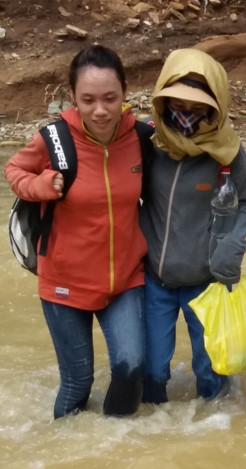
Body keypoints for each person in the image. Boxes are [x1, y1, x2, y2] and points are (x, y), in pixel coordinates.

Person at [4, 45, 148, 419]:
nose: (100, 110)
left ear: (125, 93)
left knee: (131, 369)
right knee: (77, 383)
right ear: (72, 96)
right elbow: (15, 171)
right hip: (64, 281)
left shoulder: (142, 139)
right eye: (88, 100)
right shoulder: (54, 139)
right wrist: (42, 186)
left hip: (125, 278)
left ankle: (116, 447)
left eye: (109, 98)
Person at [140, 48, 246, 403]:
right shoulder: (148, 143)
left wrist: (231, 250)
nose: (186, 115)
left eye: (197, 108)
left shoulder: (227, 152)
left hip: (205, 283)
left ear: (215, 105)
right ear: (164, 101)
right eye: (178, 105)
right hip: (153, 280)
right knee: (155, 370)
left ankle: (216, 429)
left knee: (209, 371)